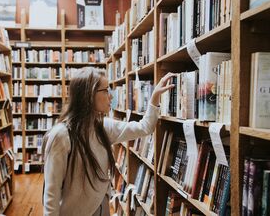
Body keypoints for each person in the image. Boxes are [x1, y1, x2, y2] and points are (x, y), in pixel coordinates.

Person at [42, 67, 175, 216]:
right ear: (89, 95)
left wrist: (155, 97)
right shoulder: (61, 135)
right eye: (105, 91)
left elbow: (145, 127)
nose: (111, 96)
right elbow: (51, 194)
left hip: (101, 209)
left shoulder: (104, 126)